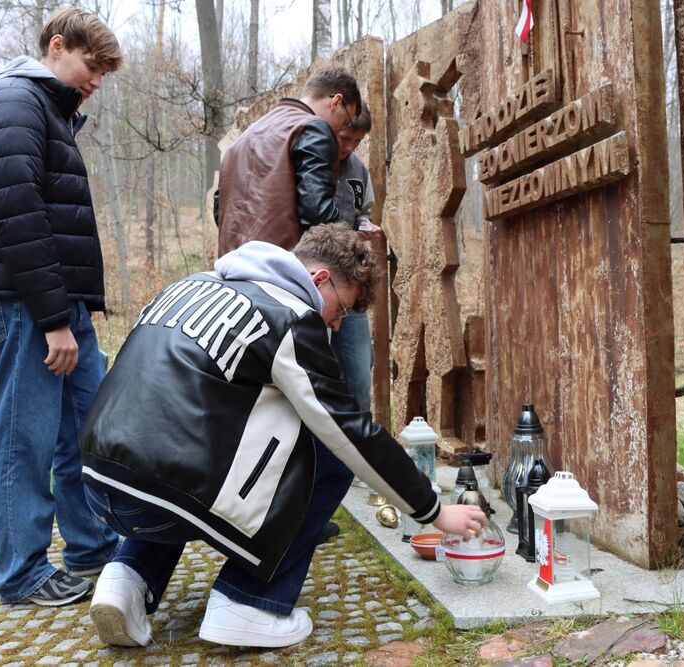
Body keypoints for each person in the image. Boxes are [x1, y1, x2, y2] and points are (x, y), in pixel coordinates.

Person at [81, 224, 486, 648]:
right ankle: (248, 601)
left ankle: (126, 577)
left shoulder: (191, 285)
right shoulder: (290, 315)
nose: (336, 324)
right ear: (319, 279)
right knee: (329, 456)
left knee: (165, 457)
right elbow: (351, 431)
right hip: (168, 499)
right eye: (341, 309)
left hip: (98, 482)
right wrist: (433, 511)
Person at [0, 7, 123, 607]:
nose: (97, 80)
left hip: (58, 300)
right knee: (21, 435)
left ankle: (93, 545)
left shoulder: (47, 110)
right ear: (57, 46)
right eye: (92, 65)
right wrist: (53, 319)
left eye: (104, 72)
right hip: (24, 303)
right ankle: (22, 571)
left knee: (86, 427)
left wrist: (68, 311)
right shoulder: (13, 103)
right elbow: (17, 216)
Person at [216, 66, 362, 255]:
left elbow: (220, 207)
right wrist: (352, 247)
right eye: (346, 121)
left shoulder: (245, 135)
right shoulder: (313, 129)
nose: (341, 129)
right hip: (279, 266)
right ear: (336, 102)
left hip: (230, 264)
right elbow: (318, 213)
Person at [331, 103, 379, 410]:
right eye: (345, 138)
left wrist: (364, 225)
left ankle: (359, 432)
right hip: (314, 284)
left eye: (357, 141)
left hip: (350, 283)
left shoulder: (359, 170)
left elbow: (363, 212)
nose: (349, 147)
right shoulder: (309, 160)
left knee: (359, 373)